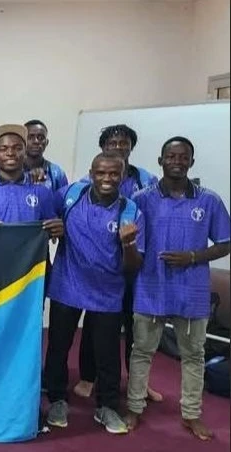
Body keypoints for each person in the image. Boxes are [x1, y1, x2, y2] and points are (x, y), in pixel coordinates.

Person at [125, 137, 230, 440]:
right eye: (171, 156)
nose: (177, 161)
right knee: (141, 351)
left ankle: (191, 414)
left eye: (183, 157)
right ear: (160, 161)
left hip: (192, 291)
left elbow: (225, 242)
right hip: (150, 287)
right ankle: (134, 407)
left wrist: (194, 257)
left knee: (194, 355)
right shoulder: (142, 199)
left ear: (191, 162)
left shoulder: (208, 200)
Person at [44, 151, 143, 435]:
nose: (107, 179)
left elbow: (133, 267)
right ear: (91, 173)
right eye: (101, 173)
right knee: (58, 347)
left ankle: (108, 406)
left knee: (107, 353)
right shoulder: (70, 195)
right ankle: (57, 400)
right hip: (68, 286)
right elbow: (44, 212)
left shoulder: (131, 212)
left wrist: (128, 244)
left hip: (108, 293)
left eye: (114, 174)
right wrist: (54, 225)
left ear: (122, 176)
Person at [75, 124, 162, 402]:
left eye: (124, 143)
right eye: (112, 143)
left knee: (136, 329)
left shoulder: (147, 180)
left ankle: (138, 383)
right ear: (103, 149)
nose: (118, 147)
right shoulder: (85, 184)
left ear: (131, 148)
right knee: (95, 325)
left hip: (137, 265)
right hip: (101, 272)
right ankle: (89, 377)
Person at [0, 124, 61, 230]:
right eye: (3, 149)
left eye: (17, 148)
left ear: (25, 153)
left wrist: (58, 228)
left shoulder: (41, 190)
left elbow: (52, 228)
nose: (10, 153)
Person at [24, 119, 69, 191]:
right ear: (22, 141)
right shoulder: (14, 170)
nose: (36, 141)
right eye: (30, 137)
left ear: (47, 142)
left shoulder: (57, 173)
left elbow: (62, 200)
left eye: (40, 138)